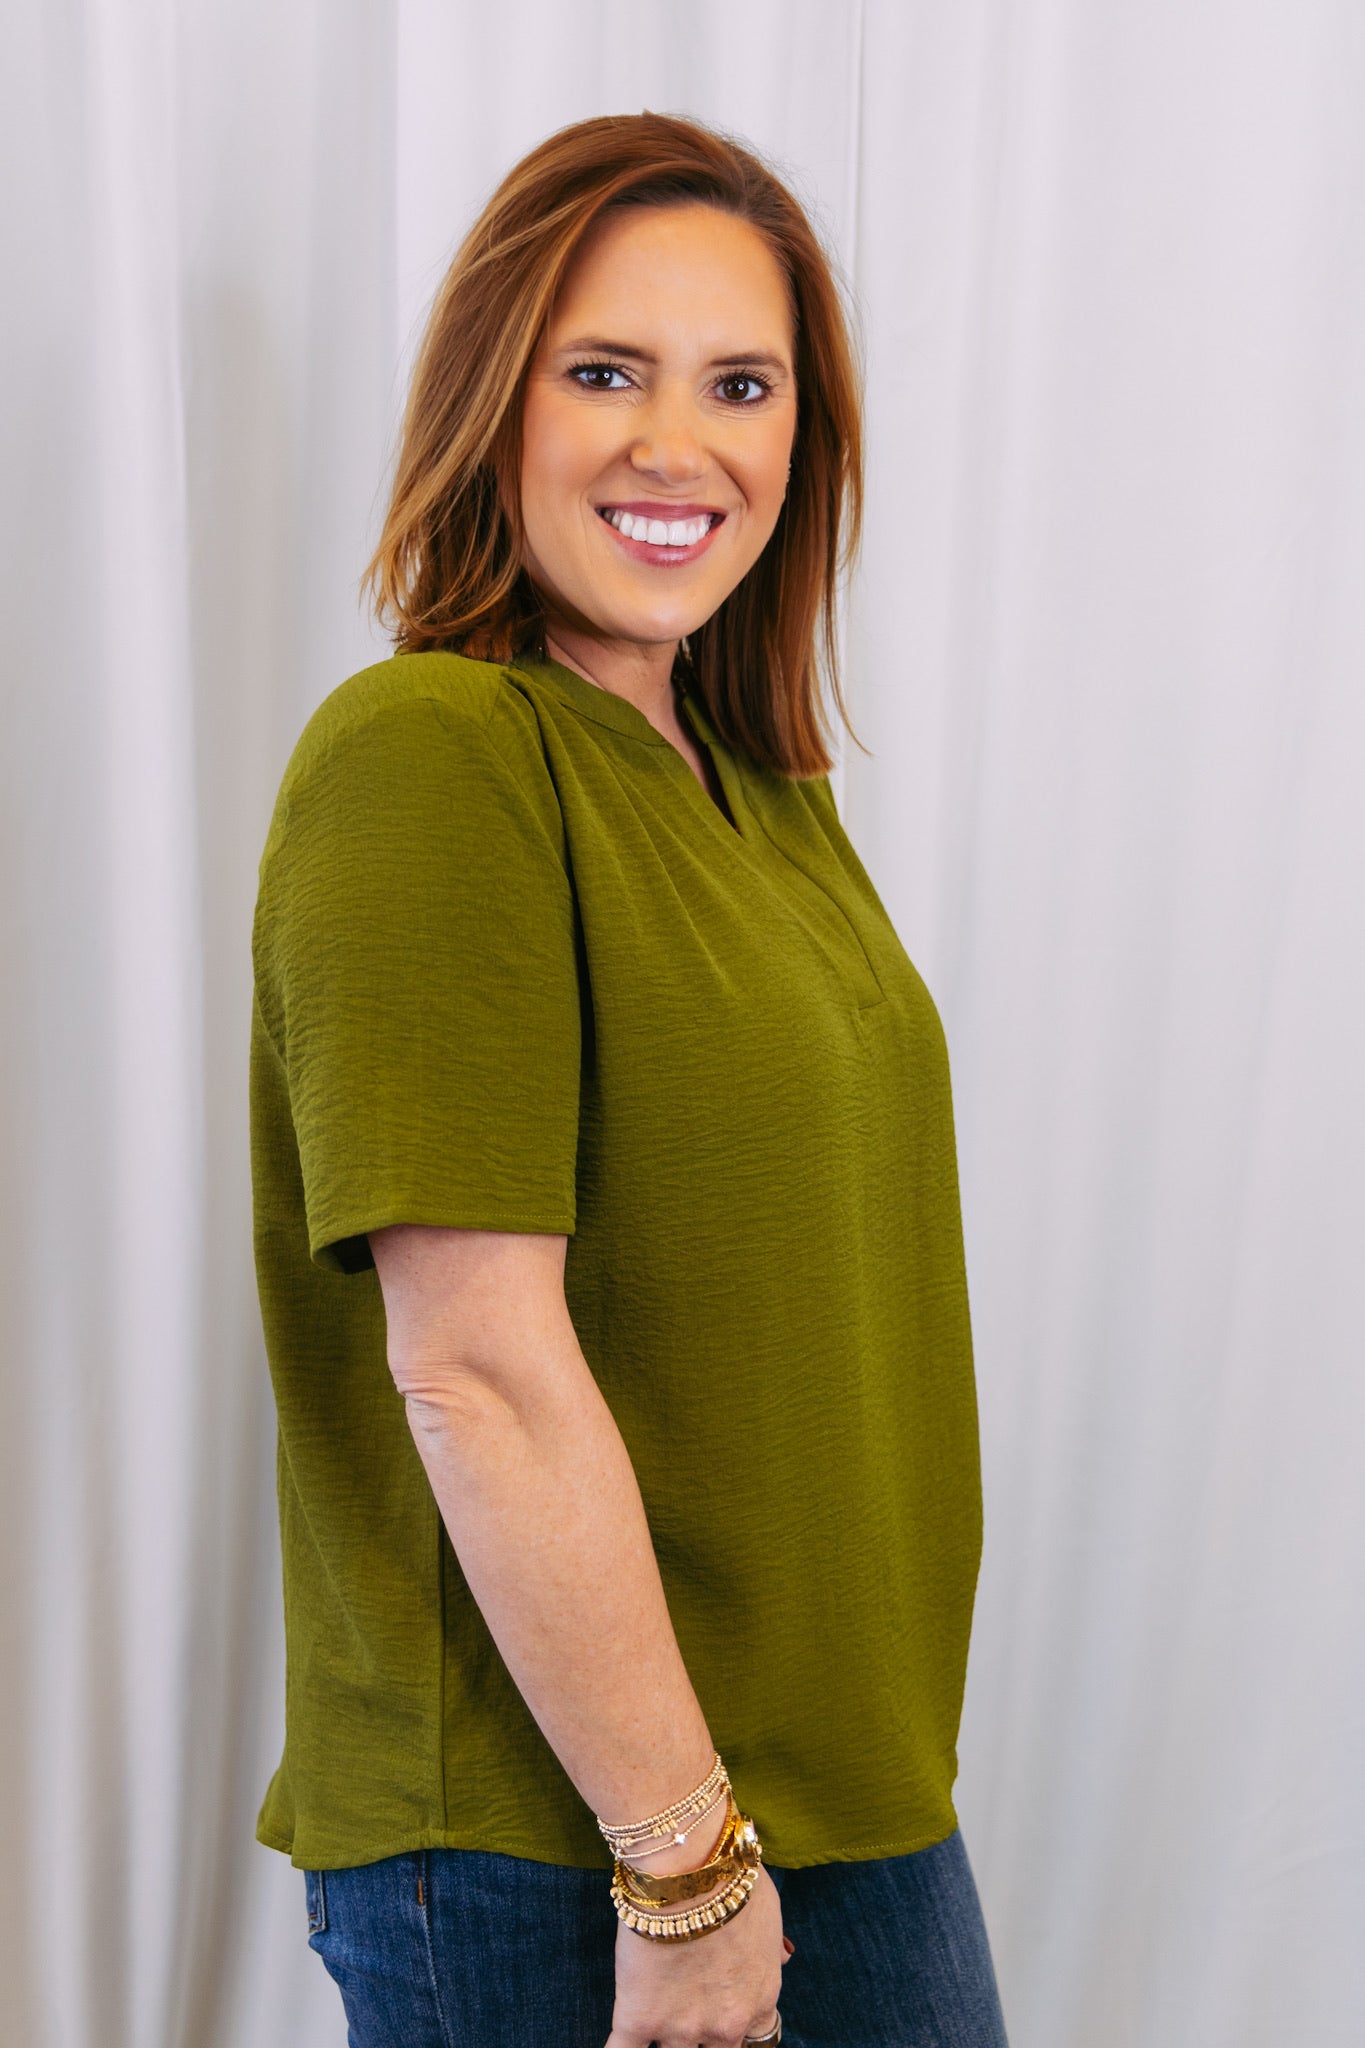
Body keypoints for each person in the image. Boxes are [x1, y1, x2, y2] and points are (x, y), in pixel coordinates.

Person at [250, 110, 1010, 2048]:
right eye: (605, 371)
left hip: (836, 1812)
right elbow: (475, 1363)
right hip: (570, 1848)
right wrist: (680, 1866)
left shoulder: (763, 795)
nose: (677, 445)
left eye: (737, 383)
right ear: (494, 399)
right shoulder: (431, 751)